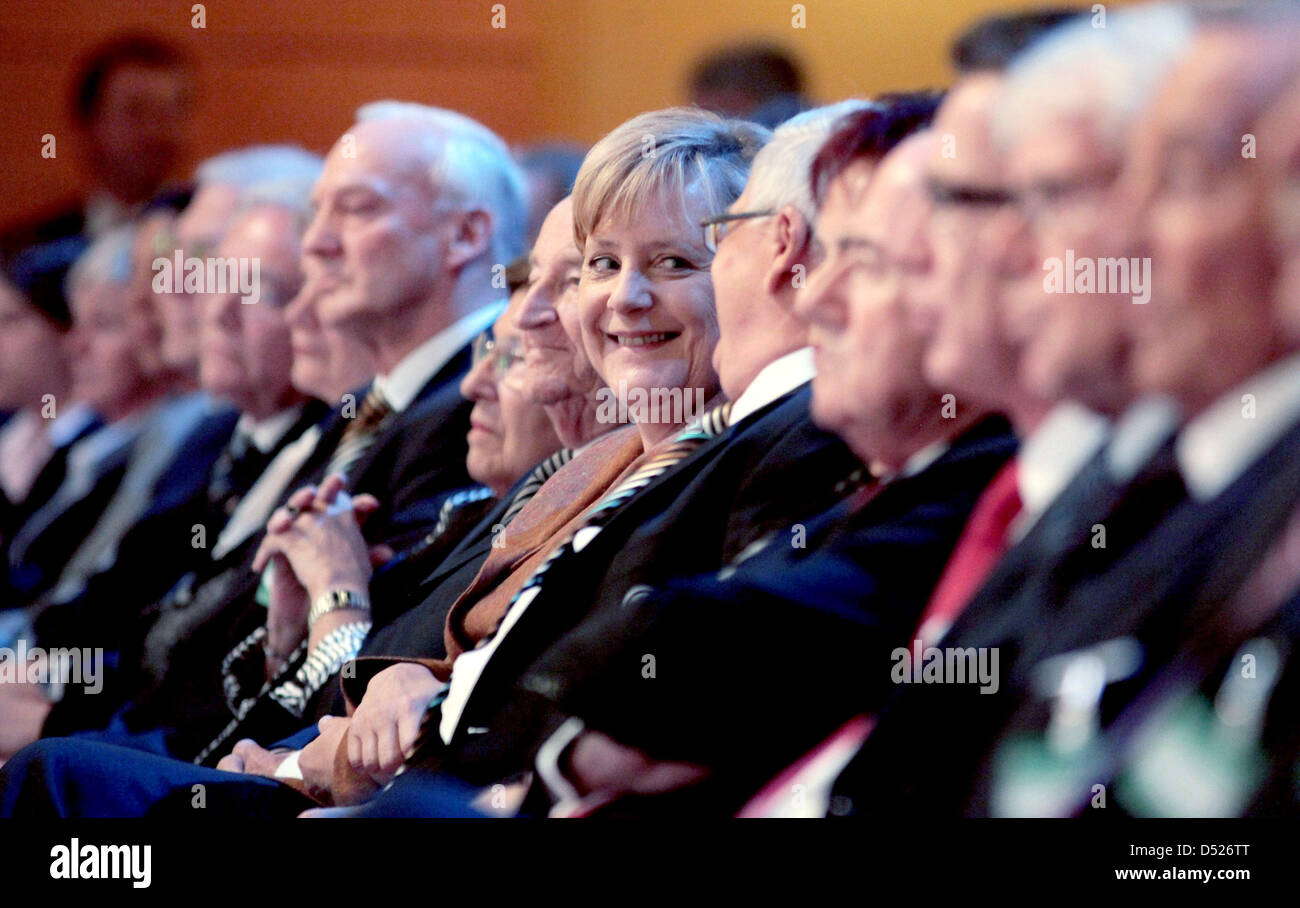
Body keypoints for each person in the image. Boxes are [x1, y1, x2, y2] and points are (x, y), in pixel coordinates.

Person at [0, 34, 195, 258]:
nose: (155, 131)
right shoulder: (28, 251)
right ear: (87, 126)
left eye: (169, 114)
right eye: (135, 112)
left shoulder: (218, 235)